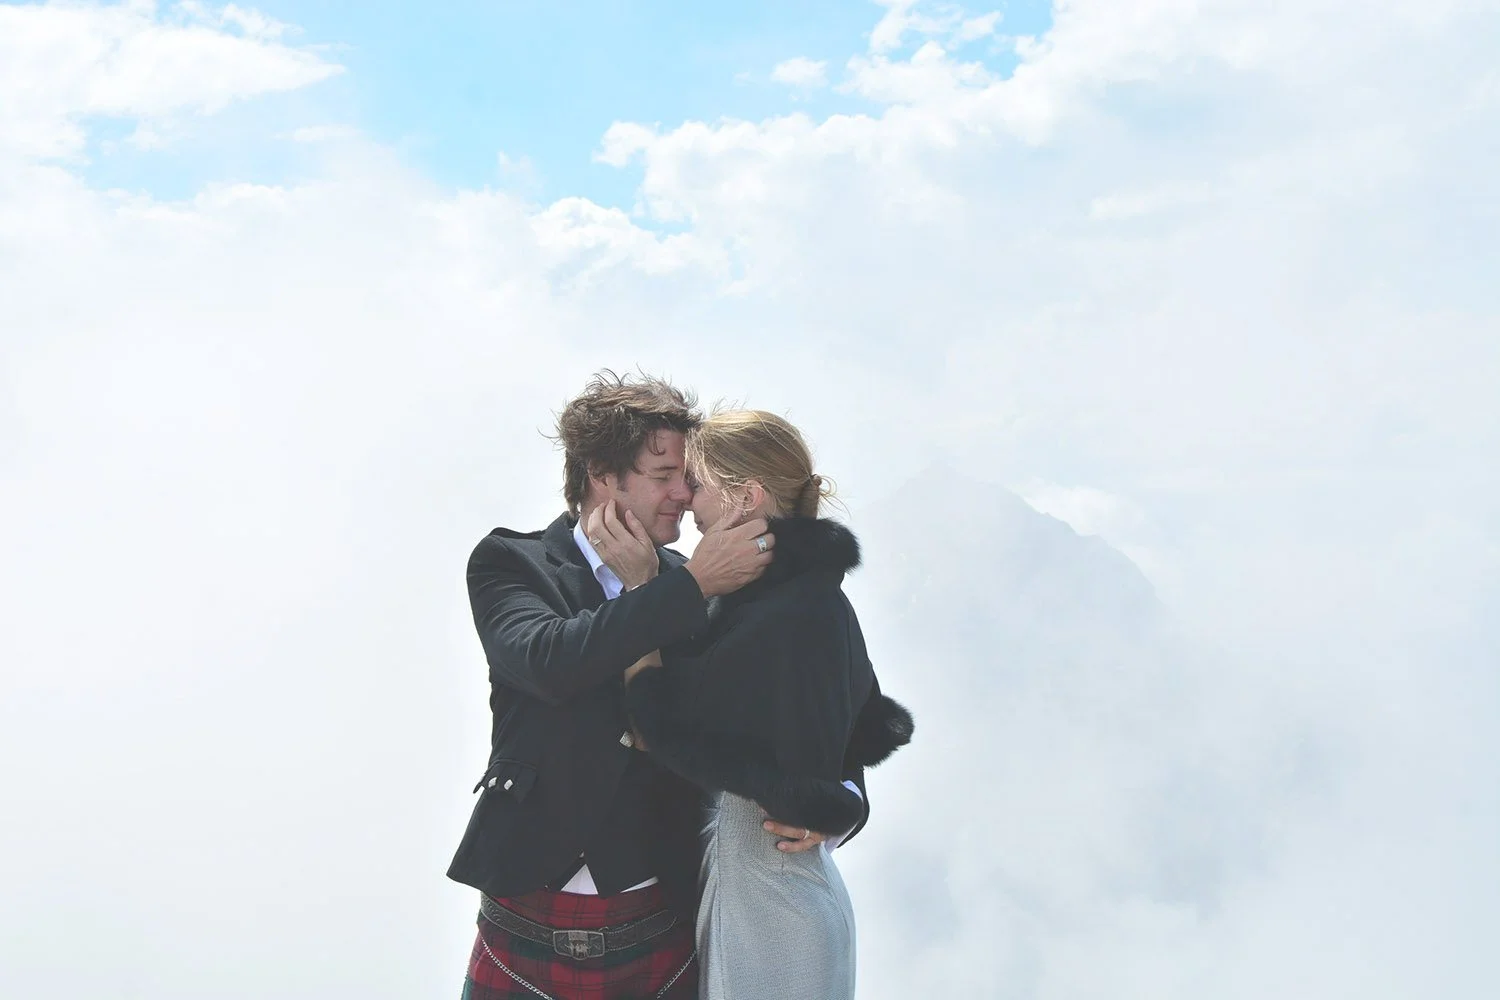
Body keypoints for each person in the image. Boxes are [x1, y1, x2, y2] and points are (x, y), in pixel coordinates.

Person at [449, 374, 854, 1000]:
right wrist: (684, 589)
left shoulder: (706, 577)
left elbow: (811, 684)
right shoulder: (513, 563)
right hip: (520, 923)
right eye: (664, 475)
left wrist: (843, 798)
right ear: (601, 474)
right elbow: (548, 662)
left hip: (660, 927)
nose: (684, 496)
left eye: (689, 478)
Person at [610, 410, 914, 1000]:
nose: (688, 503)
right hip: (774, 896)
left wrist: (644, 595)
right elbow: (860, 726)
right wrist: (839, 799)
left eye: (697, 484)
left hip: (773, 911)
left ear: (745, 497)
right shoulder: (806, 598)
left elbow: (661, 723)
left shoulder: (784, 611)